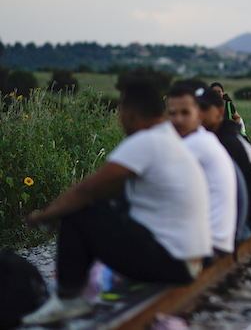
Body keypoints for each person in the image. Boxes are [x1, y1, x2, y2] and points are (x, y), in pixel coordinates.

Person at [23, 79, 212, 325]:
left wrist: (44, 216)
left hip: (172, 261)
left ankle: (69, 299)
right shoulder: (167, 139)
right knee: (98, 207)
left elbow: (88, 188)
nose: (121, 118)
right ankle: (77, 291)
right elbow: (110, 190)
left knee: (80, 212)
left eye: (121, 112)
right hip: (187, 261)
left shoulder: (146, 141)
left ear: (130, 112)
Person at [166, 83, 236, 256]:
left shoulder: (195, 144)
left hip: (206, 245)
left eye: (185, 113)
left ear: (198, 115)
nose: (178, 120)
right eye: (172, 113)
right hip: (216, 240)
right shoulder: (207, 139)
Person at [197, 87, 251, 241]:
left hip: (243, 223)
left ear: (220, 111)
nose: (199, 114)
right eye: (196, 109)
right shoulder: (223, 136)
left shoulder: (227, 143)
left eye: (204, 108)